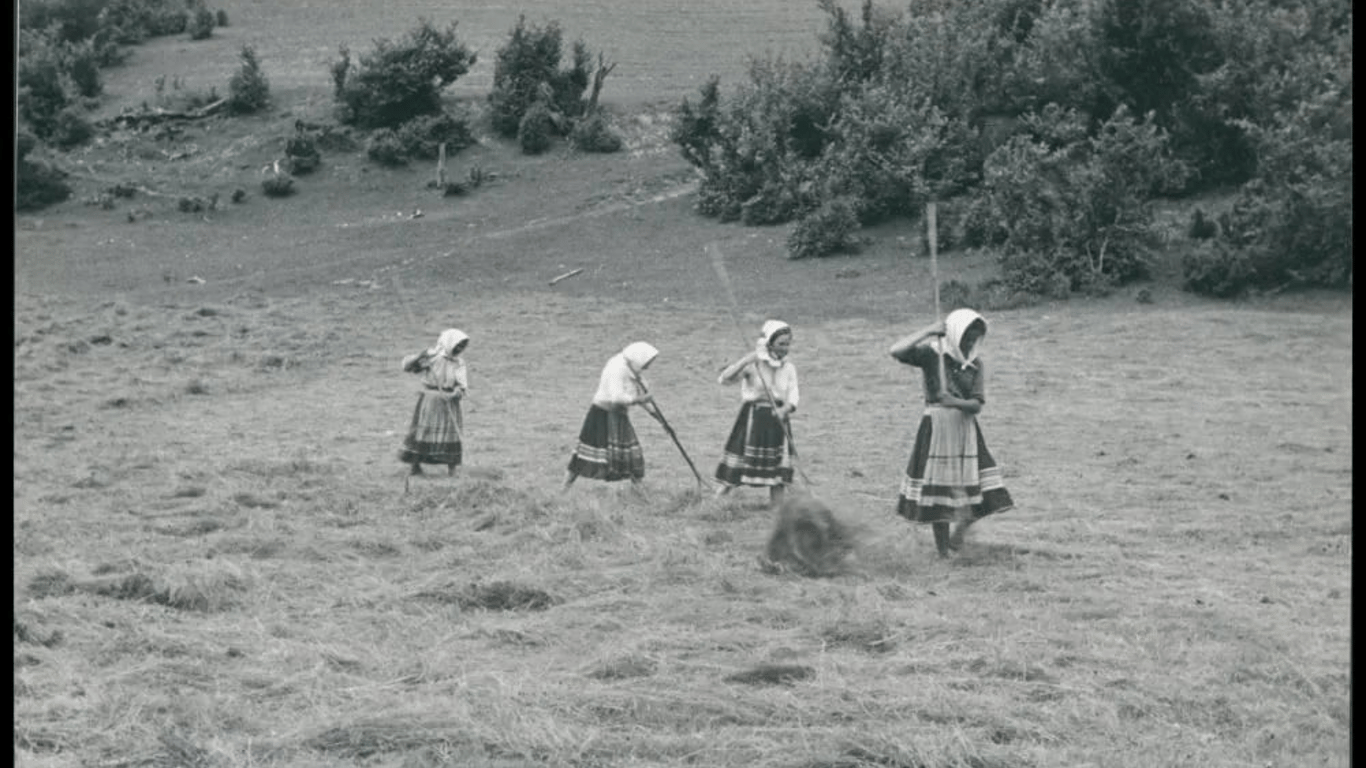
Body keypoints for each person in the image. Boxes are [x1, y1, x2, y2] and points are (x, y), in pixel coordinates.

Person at [889, 308, 1013, 557]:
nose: (969, 344)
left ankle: (959, 534)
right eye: (965, 338)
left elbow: (976, 404)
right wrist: (929, 331)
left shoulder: (975, 364)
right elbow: (896, 350)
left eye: (974, 339)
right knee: (940, 492)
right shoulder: (931, 355)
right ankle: (943, 551)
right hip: (937, 428)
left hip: (965, 430)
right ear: (955, 334)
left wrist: (954, 401)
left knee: (982, 489)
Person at [715, 320, 799, 506]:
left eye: (787, 344)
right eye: (781, 344)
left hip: (778, 421)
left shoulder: (789, 367)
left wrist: (784, 409)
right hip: (753, 419)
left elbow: (794, 395)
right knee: (739, 463)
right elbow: (724, 379)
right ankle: (717, 502)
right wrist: (745, 361)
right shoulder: (754, 365)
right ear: (769, 343)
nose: (785, 348)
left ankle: (777, 508)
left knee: (778, 469)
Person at [564, 342, 659, 489]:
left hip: (619, 416)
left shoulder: (634, 370)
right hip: (600, 415)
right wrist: (639, 400)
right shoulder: (616, 368)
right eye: (647, 363)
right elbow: (617, 397)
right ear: (639, 359)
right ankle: (563, 490)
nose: (647, 367)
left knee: (633, 456)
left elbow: (641, 394)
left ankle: (640, 493)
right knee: (583, 456)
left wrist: (657, 416)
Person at [398, 329, 469, 476]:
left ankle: (452, 470)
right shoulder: (433, 357)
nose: (459, 349)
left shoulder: (459, 363)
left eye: (462, 346)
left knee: (450, 434)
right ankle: (415, 466)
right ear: (449, 343)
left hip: (449, 401)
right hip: (430, 400)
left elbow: (461, 385)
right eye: (457, 345)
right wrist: (420, 356)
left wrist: (456, 393)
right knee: (423, 431)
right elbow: (407, 367)